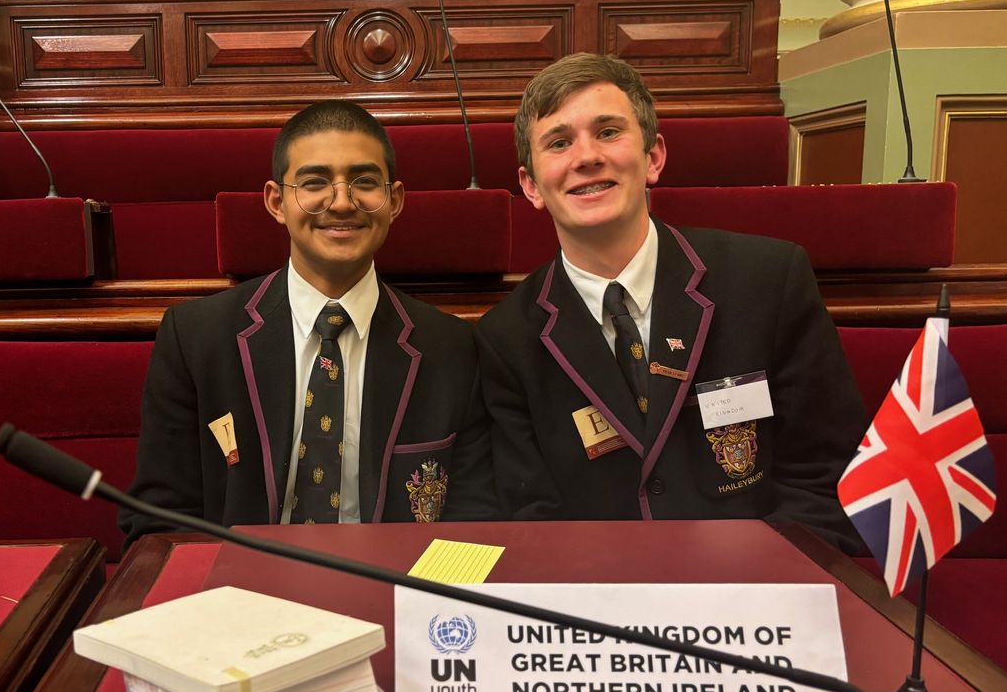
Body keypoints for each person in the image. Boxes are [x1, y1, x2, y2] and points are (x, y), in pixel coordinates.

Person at [475, 53, 865, 550]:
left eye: (608, 132)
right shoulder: (507, 338)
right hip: (597, 586)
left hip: (758, 580)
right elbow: (531, 515)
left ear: (654, 157)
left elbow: (827, 475)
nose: (586, 156)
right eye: (559, 142)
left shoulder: (768, 280)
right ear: (531, 185)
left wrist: (752, 583)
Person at [121, 100, 498, 546]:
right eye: (315, 182)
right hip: (239, 582)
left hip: (400, 581)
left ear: (394, 201)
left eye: (364, 182)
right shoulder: (196, 338)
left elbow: (474, 523)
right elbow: (161, 521)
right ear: (277, 202)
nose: (341, 203)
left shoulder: (451, 347)